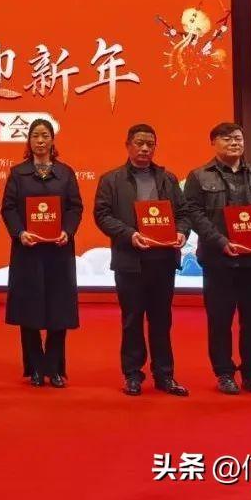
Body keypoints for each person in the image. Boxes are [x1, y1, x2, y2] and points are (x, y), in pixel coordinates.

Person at [183, 122, 251, 396]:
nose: (234, 143)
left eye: (238, 138)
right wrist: (220, 242)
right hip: (219, 261)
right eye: (226, 139)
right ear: (213, 143)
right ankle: (224, 373)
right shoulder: (199, 176)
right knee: (220, 321)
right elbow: (193, 213)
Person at [94, 123, 191, 397]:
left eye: (150, 144)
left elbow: (183, 213)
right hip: (130, 260)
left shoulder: (167, 179)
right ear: (128, 145)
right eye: (139, 143)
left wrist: (182, 232)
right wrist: (129, 234)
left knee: (162, 320)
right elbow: (102, 215)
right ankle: (133, 375)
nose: (145, 148)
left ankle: (165, 375)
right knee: (132, 319)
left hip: (163, 260)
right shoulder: (111, 180)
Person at [1, 118, 83, 388]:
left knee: (59, 310)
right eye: (35, 135)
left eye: (45, 135)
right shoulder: (18, 173)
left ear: (52, 140)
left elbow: (75, 207)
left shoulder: (65, 173)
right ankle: (35, 367)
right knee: (30, 310)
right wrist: (20, 232)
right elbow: (8, 208)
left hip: (59, 251)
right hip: (29, 252)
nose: (40, 140)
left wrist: (67, 231)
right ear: (29, 140)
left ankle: (55, 368)